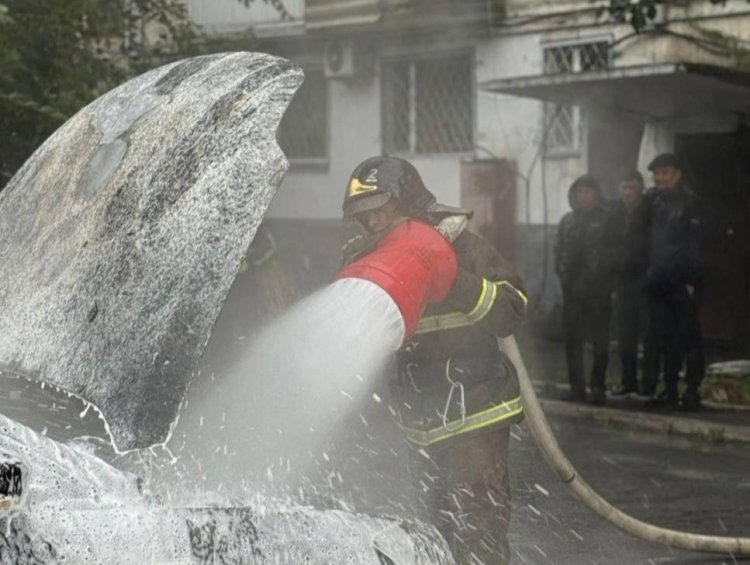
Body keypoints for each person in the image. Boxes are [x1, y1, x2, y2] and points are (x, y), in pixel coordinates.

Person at [340, 155, 527, 565]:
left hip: (475, 411)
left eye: (378, 211)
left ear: (407, 203)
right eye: (363, 215)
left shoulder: (461, 247)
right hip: (420, 421)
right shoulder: (365, 258)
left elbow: (512, 310)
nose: (371, 223)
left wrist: (453, 279)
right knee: (434, 527)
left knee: (478, 523)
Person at [639, 153, 704, 409]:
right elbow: (643, 240)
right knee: (665, 340)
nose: (660, 178)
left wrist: (691, 278)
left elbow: (696, 243)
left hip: (682, 280)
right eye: (657, 173)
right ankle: (670, 390)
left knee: (689, 338)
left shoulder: (690, 203)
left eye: (665, 172)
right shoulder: (653, 203)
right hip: (658, 280)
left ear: (677, 174)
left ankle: (692, 391)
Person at [555, 174, 617, 405]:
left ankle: (598, 388)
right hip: (572, 292)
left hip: (599, 291)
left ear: (596, 194)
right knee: (573, 342)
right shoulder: (567, 221)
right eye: (579, 192)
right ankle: (576, 389)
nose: (583, 196)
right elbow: (559, 251)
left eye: (588, 191)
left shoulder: (608, 220)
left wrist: (609, 281)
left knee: (600, 342)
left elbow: (615, 253)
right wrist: (562, 276)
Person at [610, 171, 648, 397]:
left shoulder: (649, 210)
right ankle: (628, 382)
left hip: (645, 279)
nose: (627, 192)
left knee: (649, 335)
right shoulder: (615, 213)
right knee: (626, 336)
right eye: (624, 187)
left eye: (632, 187)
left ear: (641, 188)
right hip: (623, 281)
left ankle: (649, 385)